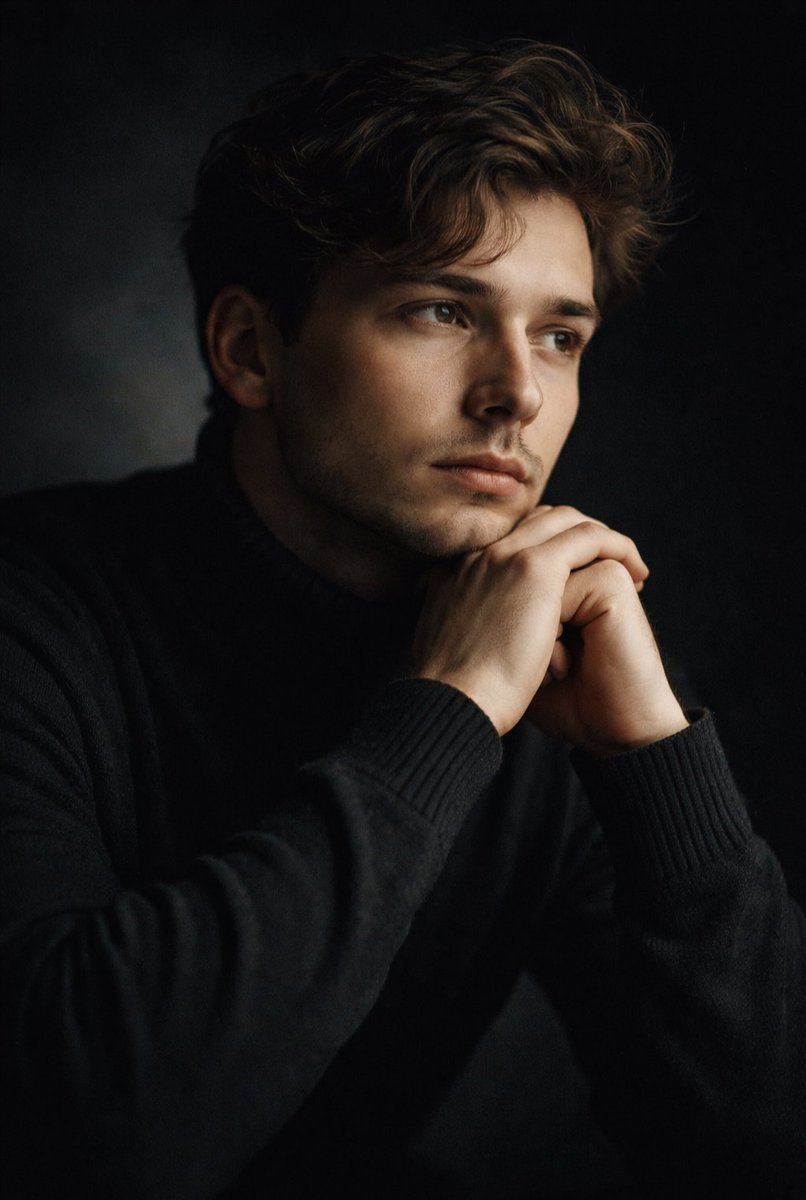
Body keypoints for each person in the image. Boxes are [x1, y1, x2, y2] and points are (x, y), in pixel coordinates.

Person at [0, 38, 803, 1200]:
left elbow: (761, 1160)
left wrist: (656, 761)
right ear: (248, 349)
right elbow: (86, 1140)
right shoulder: (32, 615)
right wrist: (452, 708)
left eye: (558, 336)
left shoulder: (564, 699)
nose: (516, 393)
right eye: (439, 309)